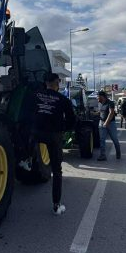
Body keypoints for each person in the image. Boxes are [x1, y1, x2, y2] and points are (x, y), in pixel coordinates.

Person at [33, 73, 76, 215]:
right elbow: (71, 120)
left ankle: (26, 160)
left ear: (45, 82)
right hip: (54, 135)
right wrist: (64, 129)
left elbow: (26, 113)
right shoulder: (63, 99)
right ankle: (56, 205)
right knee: (57, 171)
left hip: (36, 133)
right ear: (57, 83)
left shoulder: (35, 95)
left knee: (29, 142)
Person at [97, 91, 121, 161]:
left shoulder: (110, 103)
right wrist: (95, 113)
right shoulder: (100, 103)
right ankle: (102, 155)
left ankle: (118, 153)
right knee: (102, 140)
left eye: (98, 96)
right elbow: (101, 112)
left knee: (114, 139)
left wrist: (106, 122)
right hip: (101, 123)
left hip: (111, 124)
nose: (97, 98)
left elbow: (111, 113)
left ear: (102, 96)